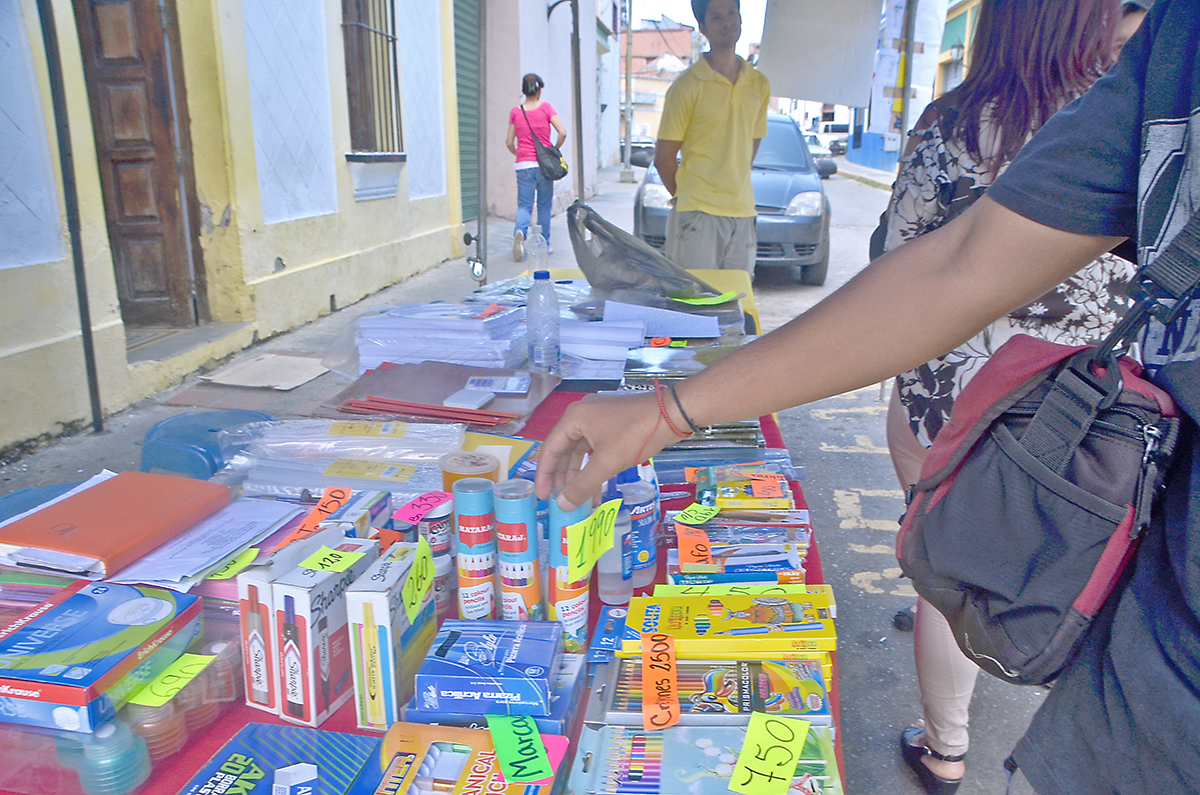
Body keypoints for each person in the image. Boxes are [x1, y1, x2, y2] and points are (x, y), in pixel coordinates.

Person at [536, 2, 1200, 792]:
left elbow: (917, 251)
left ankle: (949, 729)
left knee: (959, 567)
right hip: (1139, 581)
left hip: (977, 418)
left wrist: (667, 412)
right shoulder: (1167, 59)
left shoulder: (955, 120)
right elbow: (961, 266)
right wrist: (665, 412)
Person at [879, 2, 1138, 791]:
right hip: (1084, 417)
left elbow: (894, 255)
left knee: (948, 570)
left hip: (948, 403)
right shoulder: (1124, 125)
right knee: (1059, 566)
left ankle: (946, 748)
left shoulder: (952, 124)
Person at [654, 0, 770, 274]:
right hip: (697, 216)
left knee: (736, 305)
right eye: (716, 17)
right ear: (703, 28)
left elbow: (749, 147)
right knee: (694, 305)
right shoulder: (687, 86)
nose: (727, 21)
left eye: (732, 12)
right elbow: (664, 159)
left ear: (741, 18)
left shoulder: (759, 84)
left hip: (743, 213)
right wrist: (690, 198)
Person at [507, 73, 566, 261]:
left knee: (524, 205)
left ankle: (520, 232)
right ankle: (545, 243)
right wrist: (553, 150)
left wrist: (520, 154)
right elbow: (563, 132)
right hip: (543, 165)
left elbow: (509, 141)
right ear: (539, 89)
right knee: (544, 206)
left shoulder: (516, 111)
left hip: (523, 164)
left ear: (524, 90)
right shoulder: (546, 108)